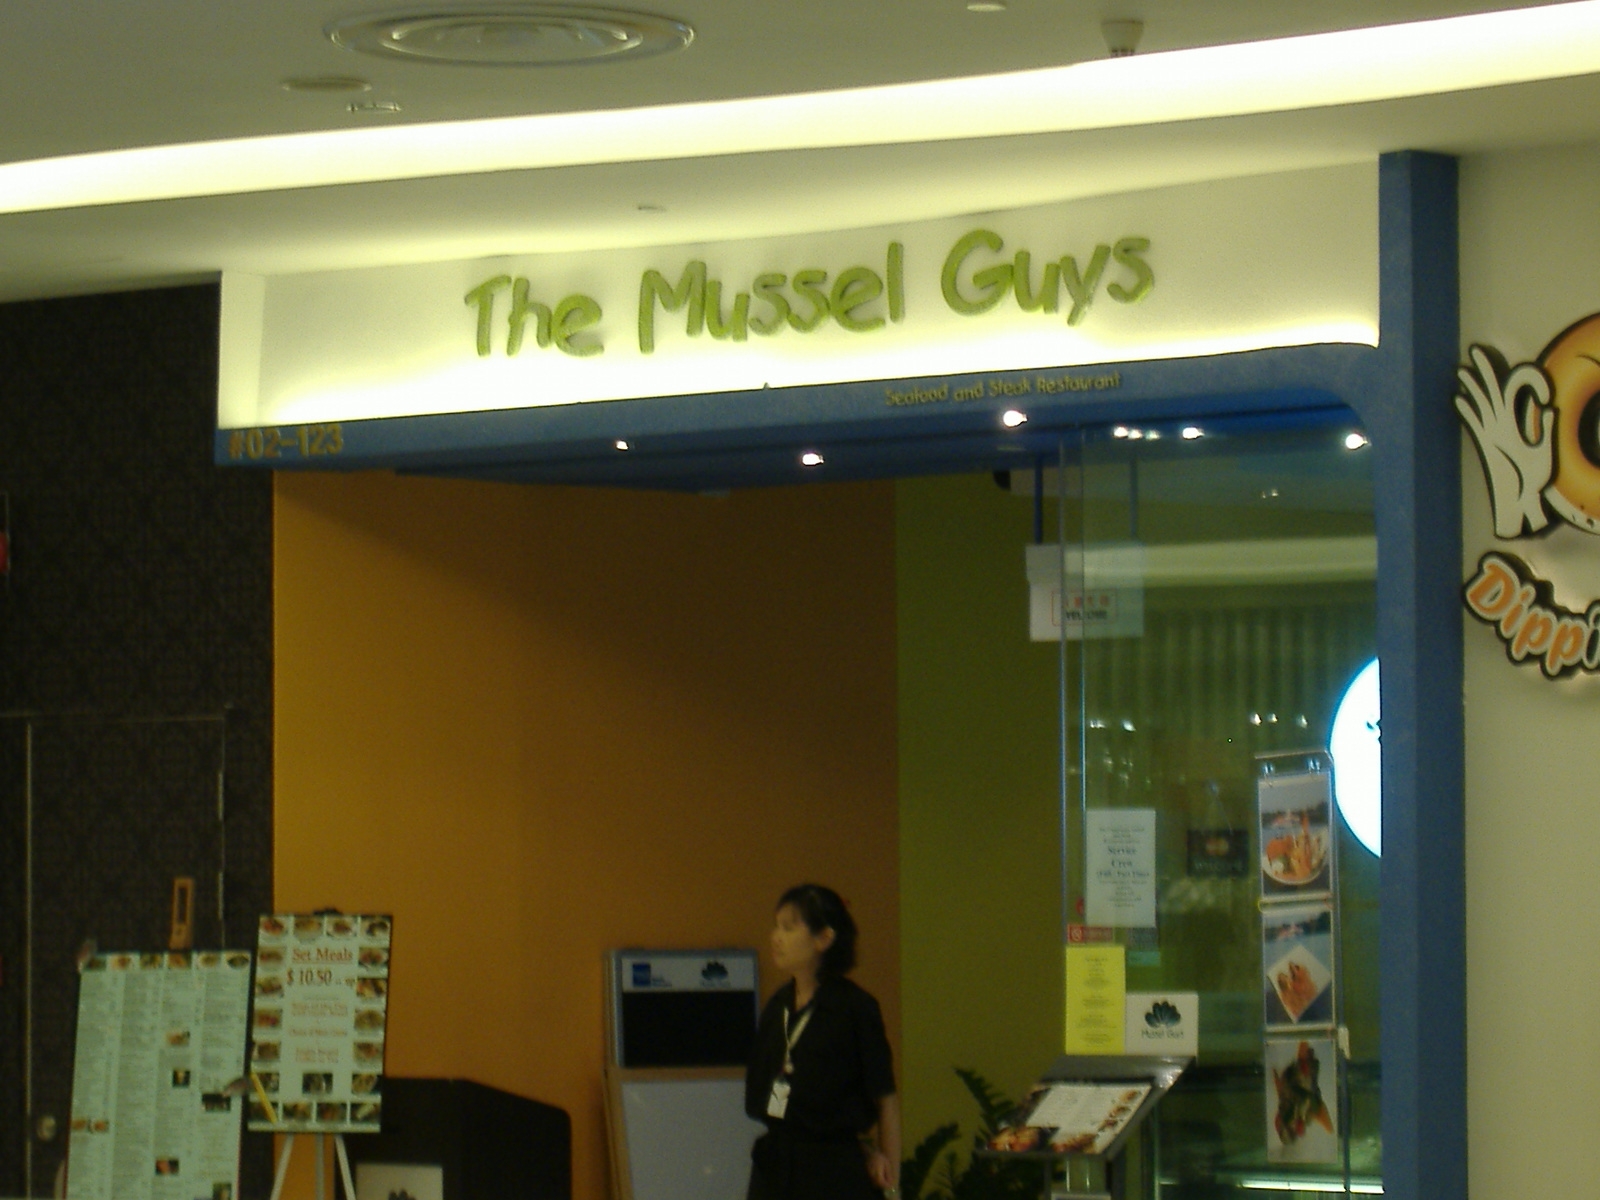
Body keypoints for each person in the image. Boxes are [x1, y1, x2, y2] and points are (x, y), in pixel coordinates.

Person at [745, 884, 900, 1200]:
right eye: (776, 926)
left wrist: (888, 1173)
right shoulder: (777, 1006)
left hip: (832, 1171)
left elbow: (884, 1097)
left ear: (824, 938)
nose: (776, 937)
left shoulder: (855, 1008)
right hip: (776, 1167)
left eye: (788, 928)